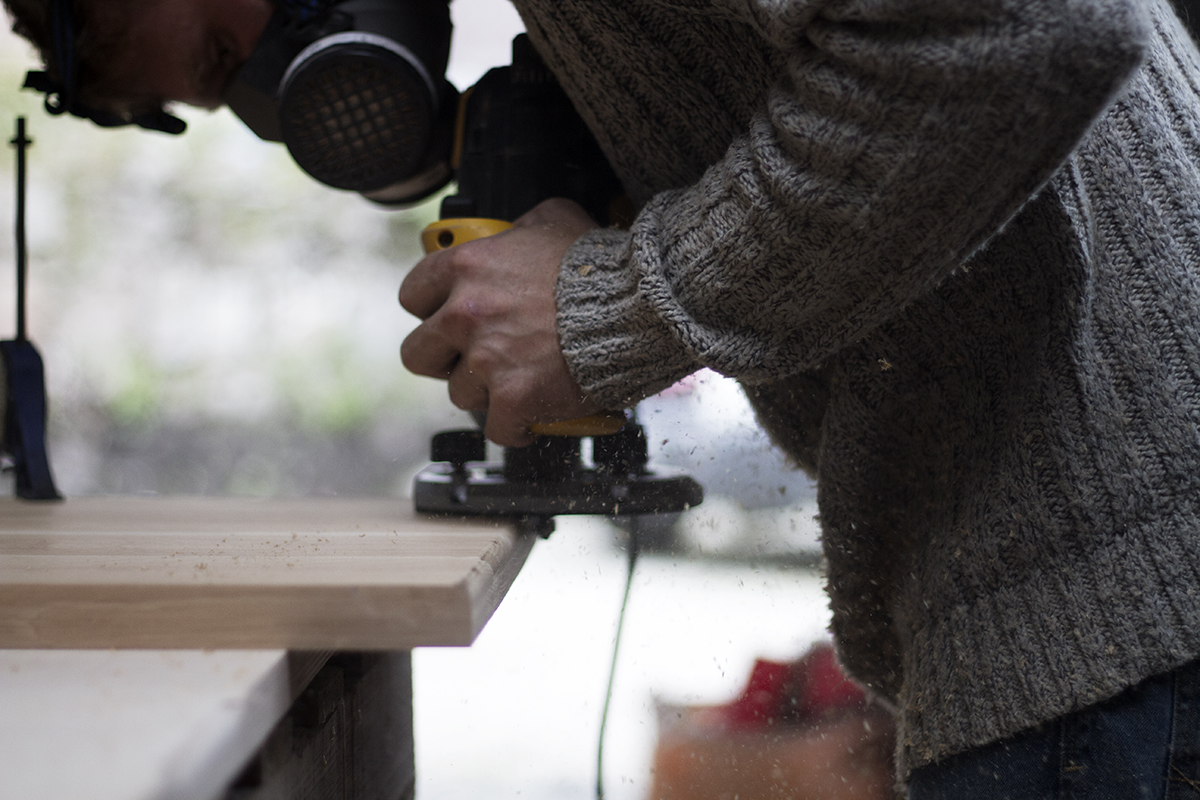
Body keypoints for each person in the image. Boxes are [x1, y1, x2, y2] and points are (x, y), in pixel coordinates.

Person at [7, 0, 1200, 795]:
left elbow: (1020, 23)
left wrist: (624, 301)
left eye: (230, 55)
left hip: (1117, 616)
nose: (292, 103)